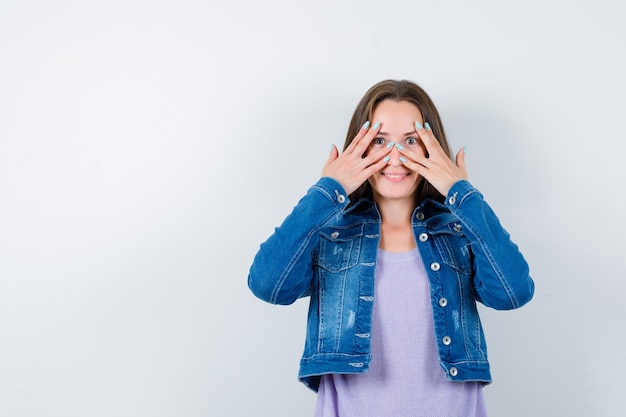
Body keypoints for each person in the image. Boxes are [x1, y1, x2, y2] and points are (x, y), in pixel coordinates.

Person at [248, 79, 534, 416]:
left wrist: (461, 193)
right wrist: (328, 190)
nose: (395, 157)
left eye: (411, 141)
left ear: (432, 148)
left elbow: (513, 293)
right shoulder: (330, 234)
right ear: (358, 147)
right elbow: (268, 284)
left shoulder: (459, 232)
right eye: (379, 141)